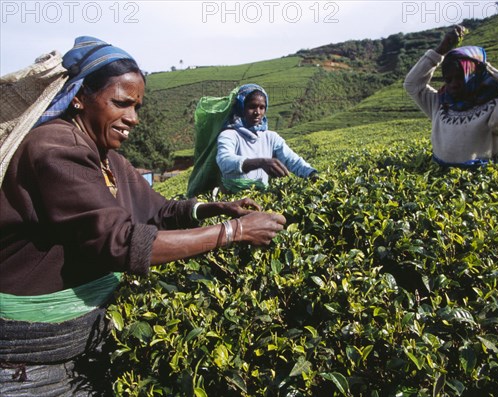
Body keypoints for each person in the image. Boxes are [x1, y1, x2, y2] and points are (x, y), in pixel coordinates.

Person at [0, 37, 286, 395]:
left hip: (80, 347)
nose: (132, 118)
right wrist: (233, 231)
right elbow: (120, 243)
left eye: (136, 107)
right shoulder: (56, 148)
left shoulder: (105, 156)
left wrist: (211, 208)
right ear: (79, 97)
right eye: (121, 103)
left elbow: (159, 210)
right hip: (29, 364)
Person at [403, 25, 498, 169]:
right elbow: (412, 84)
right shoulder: (440, 104)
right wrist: (441, 50)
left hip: (480, 182)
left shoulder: (496, 104)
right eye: (449, 79)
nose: (453, 84)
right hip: (442, 180)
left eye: (460, 78)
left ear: (475, 75)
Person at [215, 84, 318, 193]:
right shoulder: (229, 134)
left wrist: (311, 173)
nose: (257, 112)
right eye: (252, 107)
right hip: (232, 199)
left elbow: (291, 160)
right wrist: (260, 163)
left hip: (261, 197)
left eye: (262, 107)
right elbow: (224, 161)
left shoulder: (270, 137)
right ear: (241, 108)